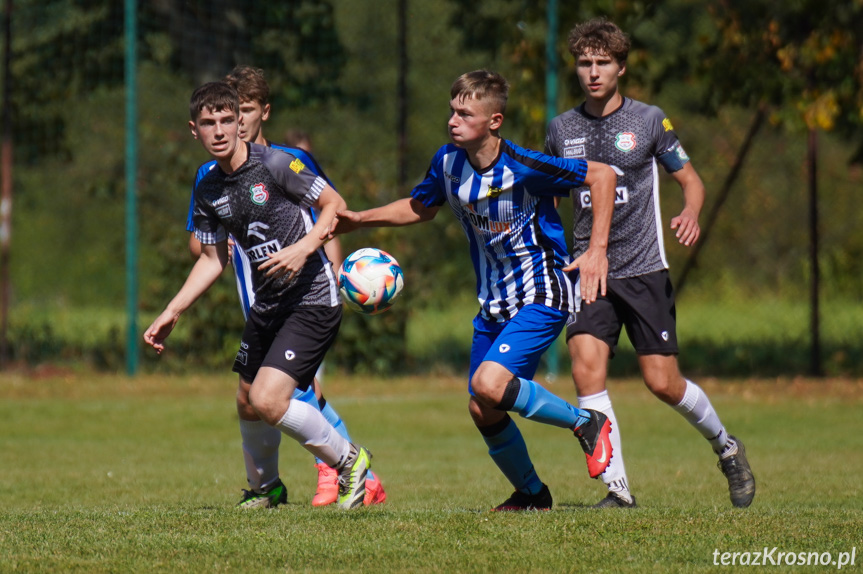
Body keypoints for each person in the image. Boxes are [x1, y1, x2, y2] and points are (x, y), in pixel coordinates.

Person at [332, 69, 619, 511]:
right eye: (452, 110)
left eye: (465, 113)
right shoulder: (447, 164)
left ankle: (587, 423)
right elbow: (420, 207)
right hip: (493, 305)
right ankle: (532, 495)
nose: (453, 120)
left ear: (494, 121)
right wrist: (360, 219)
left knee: (489, 383)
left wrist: (597, 249)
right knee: (483, 407)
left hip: (542, 293)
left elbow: (602, 177)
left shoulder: (523, 166)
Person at [545, 18, 755, 508]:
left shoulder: (648, 120)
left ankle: (725, 446)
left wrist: (691, 211)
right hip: (589, 271)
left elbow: (692, 181)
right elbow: (552, 197)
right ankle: (618, 492)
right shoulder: (561, 129)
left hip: (642, 268)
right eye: (584, 63)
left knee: (661, 382)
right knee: (585, 370)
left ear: (621, 67)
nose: (592, 72)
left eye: (602, 63)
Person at [147, 81, 370, 511]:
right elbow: (212, 259)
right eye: (208, 123)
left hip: (312, 299)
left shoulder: (277, 164)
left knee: (269, 400)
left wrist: (303, 249)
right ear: (194, 130)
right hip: (268, 305)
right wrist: (172, 311)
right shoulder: (208, 185)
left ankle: (350, 462)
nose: (219, 131)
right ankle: (267, 490)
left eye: (227, 120)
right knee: (248, 402)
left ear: (241, 122)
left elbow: (335, 205)